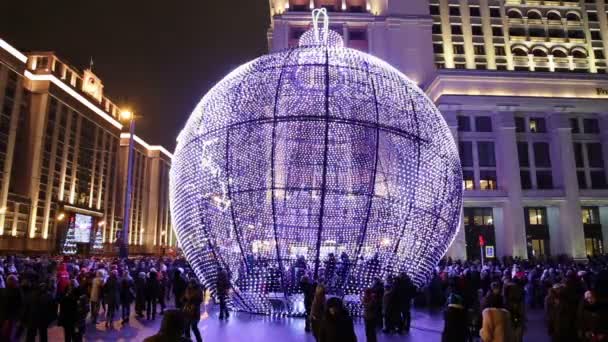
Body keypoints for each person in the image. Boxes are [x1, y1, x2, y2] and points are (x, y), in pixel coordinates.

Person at [0, 274, 23, 342]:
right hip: (9, 319)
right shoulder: (17, 292)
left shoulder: (1, 290)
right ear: (14, 282)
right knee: (9, 336)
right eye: (16, 281)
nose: (18, 283)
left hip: (3, 317)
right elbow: (20, 304)